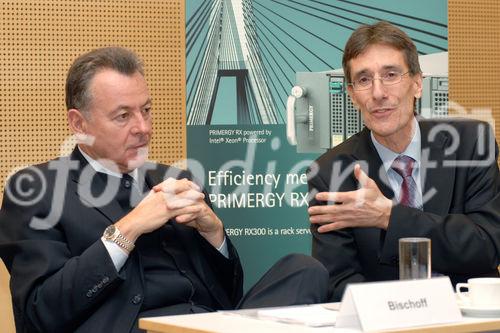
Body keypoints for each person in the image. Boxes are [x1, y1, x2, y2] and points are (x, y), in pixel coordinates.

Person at [0, 47, 328, 333]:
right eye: (123, 116)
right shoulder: (36, 189)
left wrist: (214, 233)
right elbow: (41, 313)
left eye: (146, 110)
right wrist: (128, 229)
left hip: (206, 325)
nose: (143, 128)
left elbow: (228, 296)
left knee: (303, 269)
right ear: (79, 123)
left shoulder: (175, 178)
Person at [307, 21, 500, 301]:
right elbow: (339, 282)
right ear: (351, 96)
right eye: (363, 80)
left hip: (469, 319)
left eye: (391, 74)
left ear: (417, 84)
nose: (378, 93)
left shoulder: (471, 144)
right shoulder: (330, 173)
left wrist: (389, 217)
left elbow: (487, 243)